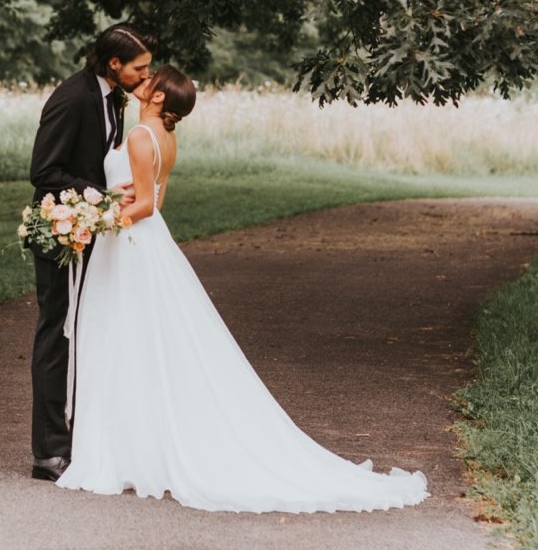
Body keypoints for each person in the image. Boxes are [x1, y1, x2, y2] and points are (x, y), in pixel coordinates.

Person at [56, 66, 430, 513]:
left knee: (125, 337)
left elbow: (146, 210)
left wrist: (97, 218)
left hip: (132, 246)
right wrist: (118, 201)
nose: (144, 81)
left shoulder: (140, 136)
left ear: (157, 98)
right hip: (147, 246)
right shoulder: (165, 138)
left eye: (150, 80)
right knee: (145, 340)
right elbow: (155, 198)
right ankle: (136, 446)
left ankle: (124, 451)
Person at [26, 23, 155, 482]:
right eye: (139, 67)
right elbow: (43, 171)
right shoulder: (73, 97)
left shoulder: (111, 97)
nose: (146, 75)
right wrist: (98, 192)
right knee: (57, 334)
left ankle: (83, 439)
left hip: (90, 233)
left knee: (87, 334)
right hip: (60, 235)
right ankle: (49, 452)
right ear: (113, 64)